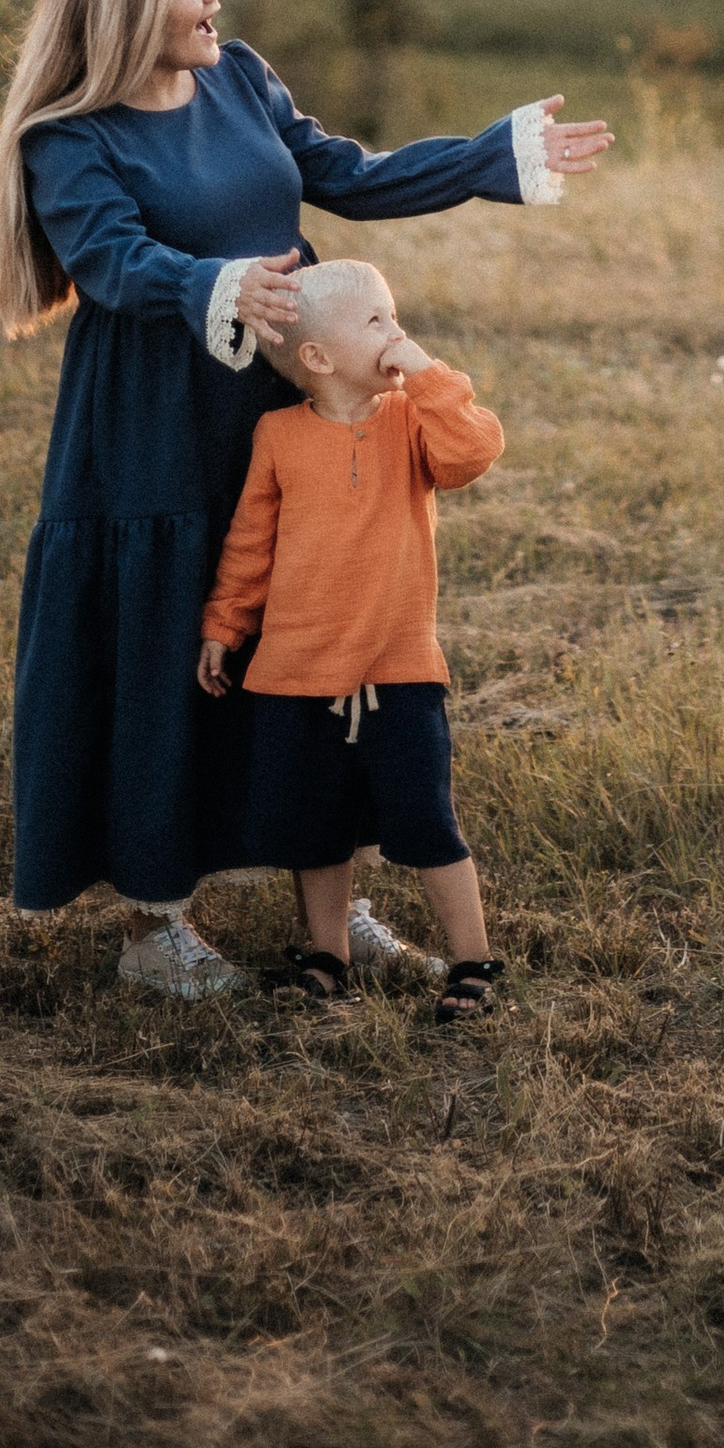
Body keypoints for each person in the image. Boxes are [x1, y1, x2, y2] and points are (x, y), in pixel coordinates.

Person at [0, 0, 611, 996]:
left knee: (308, 638)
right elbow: (115, 260)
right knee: (165, 651)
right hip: (151, 436)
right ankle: (154, 920)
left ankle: (331, 897)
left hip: (285, 413)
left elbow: (349, 173)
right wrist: (218, 282)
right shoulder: (67, 140)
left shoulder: (240, 78)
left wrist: (488, 153)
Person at [197, 257, 504, 1019]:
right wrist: (224, 625)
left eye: (395, 318)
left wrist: (426, 372)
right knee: (313, 828)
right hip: (295, 671)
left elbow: (474, 452)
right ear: (318, 358)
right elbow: (250, 543)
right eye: (377, 323)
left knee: (426, 820)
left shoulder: (411, 421)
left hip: (397, 669)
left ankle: (473, 961)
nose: (396, 333)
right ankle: (326, 954)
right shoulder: (278, 436)